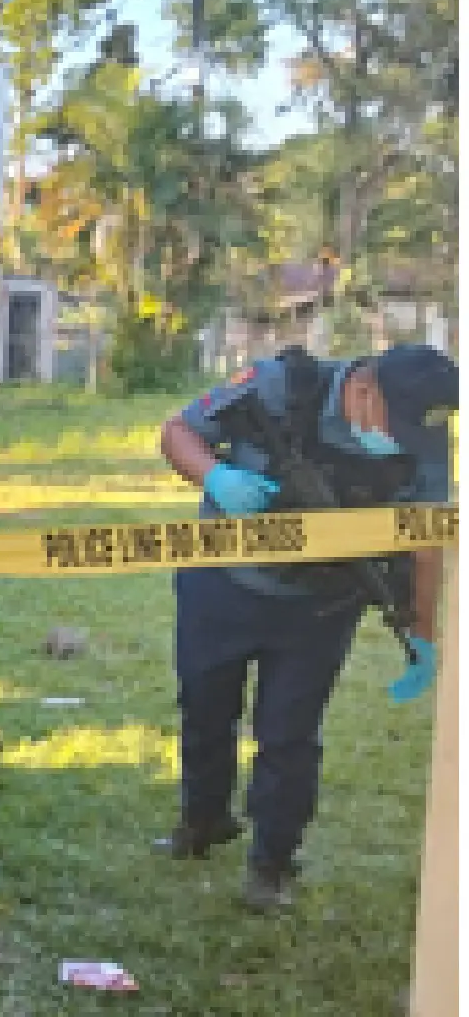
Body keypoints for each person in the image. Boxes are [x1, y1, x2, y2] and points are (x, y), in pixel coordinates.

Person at [156, 342, 456, 911]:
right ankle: (203, 820)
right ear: (364, 390)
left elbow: (424, 538)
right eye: (398, 425)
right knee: (204, 708)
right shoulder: (281, 385)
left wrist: (422, 633)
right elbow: (178, 432)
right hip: (220, 583)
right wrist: (217, 477)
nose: (404, 441)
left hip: (319, 605)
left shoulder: (422, 431)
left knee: (289, 735)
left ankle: (272, 863)